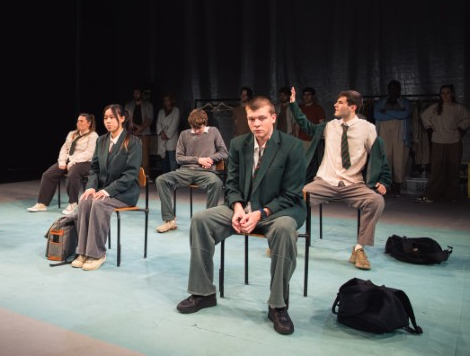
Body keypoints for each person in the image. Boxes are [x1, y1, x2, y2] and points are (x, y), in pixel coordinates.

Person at [176, 96, 306, 336]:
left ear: (273, 118)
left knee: (286, 230)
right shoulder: (238, 144)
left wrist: (259, 213)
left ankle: (278, 305)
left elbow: (291, 194)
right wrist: (236, 208)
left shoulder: (292, 146)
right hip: (243, 208)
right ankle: (203, 292)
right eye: (251, 119)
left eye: (262, 118)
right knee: (201, 220)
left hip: (279, 210)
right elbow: (232, 183)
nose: (256, 124)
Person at [289, 87, 390, 270]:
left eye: (340, 102)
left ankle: (359, 249)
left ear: (352, 107)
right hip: (325, 181)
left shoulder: (368, 129)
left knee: (376, 201)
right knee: (295, 197)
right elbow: (307, 126)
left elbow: (380, 157)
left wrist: (384, 180)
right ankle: (285, 236)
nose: (335, 105)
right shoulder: (330, 126)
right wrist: (293, 105)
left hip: (353, 184)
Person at [71, 104, 142, 271]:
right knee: (85, 201)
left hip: (124, 193)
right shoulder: (101, 140)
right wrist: (90, 187)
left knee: (98, 204)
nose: (108, 121)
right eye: (105, 118)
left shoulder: (133, 142)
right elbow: (94, 169)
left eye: (112, 117)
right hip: (103, 191)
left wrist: (106, 191)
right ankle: (83, 251)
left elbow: (130, 175)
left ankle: (97, 254)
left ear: (122, 118)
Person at [154, 108, 228, 233]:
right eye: (194, 128)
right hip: (186, 171)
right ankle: (169, 220)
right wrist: (198, 160)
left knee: (217, 183)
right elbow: (179, 158)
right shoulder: (184, 134)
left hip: (206, 172)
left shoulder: (213, 131)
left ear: (205, 123)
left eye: (199, 128)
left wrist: (210, 158)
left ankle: (208, 221)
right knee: (161, 180)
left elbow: (224, 152)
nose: (196, 131)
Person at [27, 113, 98, 215]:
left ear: (89, 123)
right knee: (48, 175)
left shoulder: (93, 135)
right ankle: (42, 203)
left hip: (85, 162)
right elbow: (64, 148)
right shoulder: (72, 134)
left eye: (81, 121)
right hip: (69, 161)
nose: (78, 123)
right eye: (78, 121)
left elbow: (89, 153)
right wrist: (62, 162)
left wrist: (73, 162)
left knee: (72, 174)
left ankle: (73, 203)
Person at [416, 84, 470, 203]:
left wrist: (460, 128)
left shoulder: (457, 107)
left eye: (448, 93)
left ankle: (452, 195)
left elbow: (468, 118)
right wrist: (430, 127)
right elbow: (423, 116)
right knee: (437, 169)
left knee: (453, 168)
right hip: (438, 141)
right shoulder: (435, 107)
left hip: (453, 140)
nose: (445, 95)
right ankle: (432, 194)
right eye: (443, 93)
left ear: (452, 94)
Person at [374, 80, 412, 196]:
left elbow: (405, 114)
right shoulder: (381, 102)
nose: (393, 90)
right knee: (386, 158)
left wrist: (386, 112)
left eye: (395, 88)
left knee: (399, 159)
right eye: (391, 88)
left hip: (400, 132)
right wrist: (396, 113)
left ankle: (397, 185)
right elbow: (377, 115)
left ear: (399, 89)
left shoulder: (405, 102)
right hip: (384, 132)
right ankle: (386, 185)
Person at [125, 88, 154, 179]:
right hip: (131, 132)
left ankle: (145, 176)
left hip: (144, 133)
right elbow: (126, 118)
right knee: (132, 155)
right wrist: (134, 129)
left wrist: (140, 129)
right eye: (134, 93)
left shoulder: (148, 105)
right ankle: (133, 176)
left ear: (141, 94)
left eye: (137, 93)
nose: (136, 95)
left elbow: (149, 119)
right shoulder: (129, 105)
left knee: (144, 157)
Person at [156, 94, 181, 175]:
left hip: (171, 139)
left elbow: (174, 124)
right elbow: (158, 123)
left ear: (171, 101)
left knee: (172, 161)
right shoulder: (161, 111)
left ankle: (173, 178)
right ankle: (165, 179)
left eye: (168, 100)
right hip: (162, 138)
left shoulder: (176, 110)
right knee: (164, 161)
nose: (166, 102)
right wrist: (162, 133)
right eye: (165, 101)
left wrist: (167, 135)